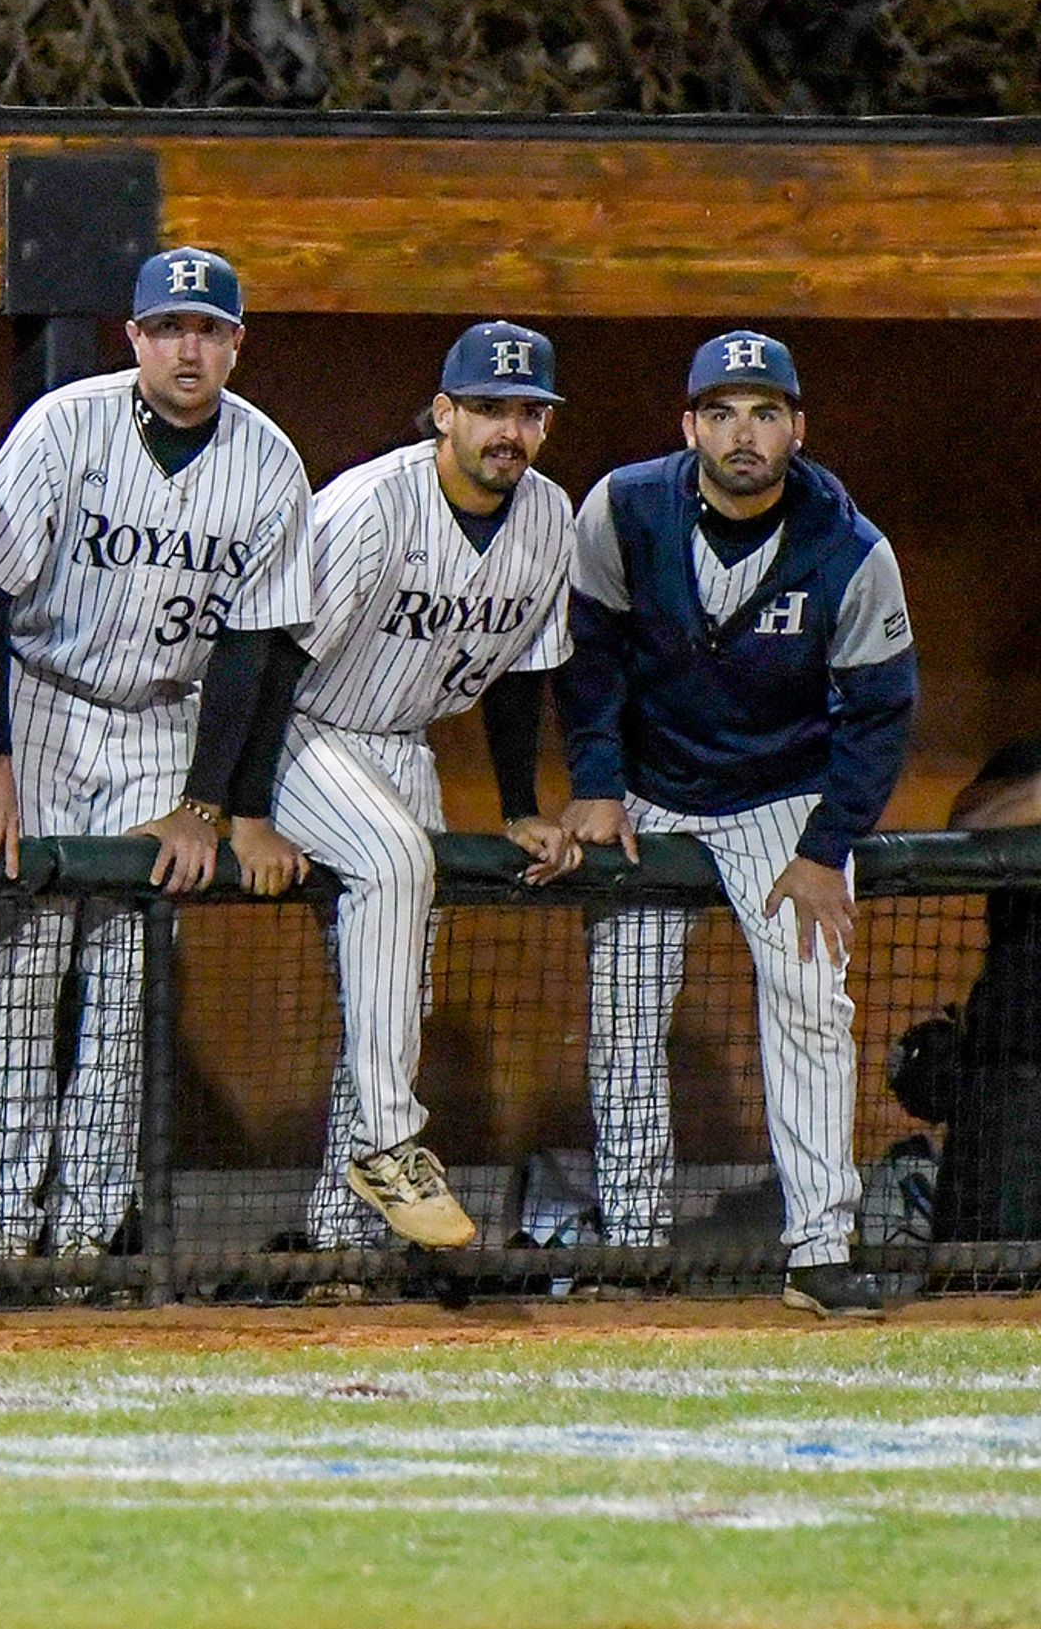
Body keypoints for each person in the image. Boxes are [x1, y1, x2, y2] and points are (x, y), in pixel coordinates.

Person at [0, 247, 313, 1271]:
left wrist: (208, 806)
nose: (188, 347)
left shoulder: (268, 463)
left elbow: (259, 648)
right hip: (43, 701)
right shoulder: (61, 428)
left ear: (237, 345)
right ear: (134, 338)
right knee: (23, 975)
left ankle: (84, 1241)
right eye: (169, 328)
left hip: (169, 718)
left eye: (208, 330)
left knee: (123, 988)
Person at [556, 330, 913, 1319]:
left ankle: (820, 1249)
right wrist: (595, 781)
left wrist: (824, 847)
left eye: (763, 413)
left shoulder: (850, 545)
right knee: (625, 1014)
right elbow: (590, 660)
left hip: (781, 796)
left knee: (808, 999)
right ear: (689, 426)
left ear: (798, 428)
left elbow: (882, 711)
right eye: (721, 412)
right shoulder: (623, 507)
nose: (742, 433)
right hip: (651, 790)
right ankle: (631, 1243)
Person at [249, 322, 582, 1260]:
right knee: (398, 863)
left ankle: (338, 1241)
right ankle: (393, 1143)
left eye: (526, 411)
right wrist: (237, 809)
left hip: (401, 745)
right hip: (298, 728)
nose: (506, 429)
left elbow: (525, 672)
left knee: (389, 987)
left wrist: (519, 803)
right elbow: (269, 658)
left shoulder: (549, 515)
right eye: (486, 408)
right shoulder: (371, 504)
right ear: (444, 413)